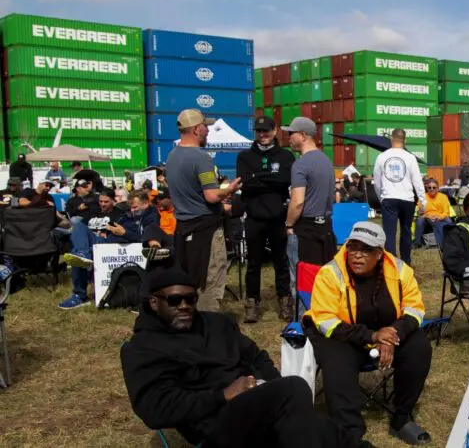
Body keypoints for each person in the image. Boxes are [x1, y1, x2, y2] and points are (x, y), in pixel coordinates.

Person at [121, 268, 351, 448]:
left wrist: (272, 389)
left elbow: (257, 357)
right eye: (174, 300)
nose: (184, 306)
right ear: (154, 303)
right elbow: (155, 410)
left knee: (324, 428)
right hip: (213, 426)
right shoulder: (143, 348)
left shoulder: (217, 323)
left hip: (253, 406)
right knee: (294, 390)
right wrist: (223, 395)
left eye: (190, 299)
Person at [305, 222, 432, 446]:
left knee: (419, 345)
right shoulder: (330, 273)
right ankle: (350, 432)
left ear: (380, 254)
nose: (357, 255)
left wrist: (392, 334)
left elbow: (415, 309)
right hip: (345, 337)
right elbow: (326, 321)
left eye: (366, 250)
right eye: (352, 247)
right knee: (335, 355)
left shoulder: (400, 270)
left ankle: (402, 418)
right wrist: (372, 336)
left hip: (387, 334)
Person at [167, 109, 241, 312]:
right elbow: (210, 196)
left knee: (189, 278)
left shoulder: (172, 156)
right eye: (205, 126)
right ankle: (207, 326)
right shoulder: (201, 158)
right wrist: (229, 189)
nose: (208, 130)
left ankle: (185, 319)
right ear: (197, 129)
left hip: (183, 228)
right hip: (205, 230)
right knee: (210, 282)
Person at [236, 115, 296, 323]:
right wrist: (268, 179)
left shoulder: (286, 156)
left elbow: (285, 180)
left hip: (278, 217)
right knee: (253, 263)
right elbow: (245, 183)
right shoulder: (244, 156)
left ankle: (284, 300)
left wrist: (257, 177)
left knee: (281, 262)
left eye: (266, 131)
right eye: (259, 131)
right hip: (254, 217)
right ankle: (252, 302)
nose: (262, 135)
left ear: (275, 130)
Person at [283, 116, 336, 296]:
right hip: (326, 228)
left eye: (291, 133)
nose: (288, 137)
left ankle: (302, 319)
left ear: (303, 135)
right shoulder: (326, 161)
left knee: (300, 280)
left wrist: (289, 225)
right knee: (324, 278)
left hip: (305, 229)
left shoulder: (301, 164)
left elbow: (297, 202)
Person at [57, 188, 127, 309]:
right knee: (78, 229)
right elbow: (81, 229)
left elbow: (119, 232)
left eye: (106, 201)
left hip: (104, 244)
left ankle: (79, 295)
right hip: (88, 244)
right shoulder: (93, 212)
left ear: (113, 201)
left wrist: (105, 233)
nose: (103, 204)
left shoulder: (119, 214)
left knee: (78, 251)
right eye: (101, 201)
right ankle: (82, 255)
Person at [372, 128, 426, 264]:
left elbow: (377, 182)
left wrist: (381, 198)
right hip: (407, 199)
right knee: (406, 231)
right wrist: (423, 201)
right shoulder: (410, 157)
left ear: (391, 138)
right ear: (405, 140)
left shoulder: (382, 157)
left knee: (389, 234)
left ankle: (392, 263)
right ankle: (406, 262)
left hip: (389, 198)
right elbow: (417, 181)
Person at [413, 179, 453, 249]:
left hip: (440, 216)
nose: (431, 189)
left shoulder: (443, 197)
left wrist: (438, 217)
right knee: (419, 220)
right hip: (427, 217)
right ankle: (417, 243)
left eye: (434, 187)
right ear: (427, 188)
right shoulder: (423, 197)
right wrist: (423, 214)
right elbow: (420, 212)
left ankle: (450, 241)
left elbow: (446, 212)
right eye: (429, 187)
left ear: (437, 188)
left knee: (449, 220)